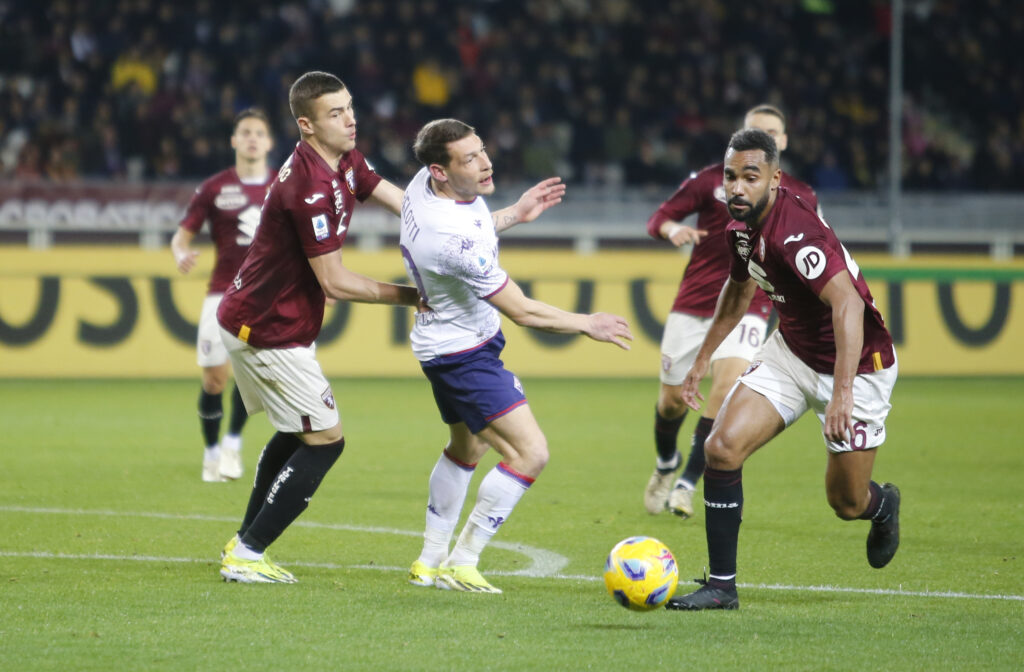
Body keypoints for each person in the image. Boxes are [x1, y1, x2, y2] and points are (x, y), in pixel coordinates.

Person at [665, 128, 900, 610]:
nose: (736, 187)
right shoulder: (741, 230)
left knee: (846, 502)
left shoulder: (796, 231)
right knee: (722, 448)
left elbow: (849, 306)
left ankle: (883, 506)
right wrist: (703, 359)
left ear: (774, 178)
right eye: (730, 176)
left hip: (857, 368)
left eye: (750, 177)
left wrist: (841, 394)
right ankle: (721, 588)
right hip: (791, 354)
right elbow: (737, 293)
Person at [400, 119, 633, 593]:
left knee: (468, 448)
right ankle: (461, 561)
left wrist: (515, 213)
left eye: (482, 149)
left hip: (445, 341)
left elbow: (475, 224)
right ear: (439, 171)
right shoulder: (451, 238)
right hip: (464, 354)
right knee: (530, 453)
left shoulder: (424, 187)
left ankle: (429, 560)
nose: (486, 162)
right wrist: (588, 323)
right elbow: (524, 311)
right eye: (469, 159)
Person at [216, 71, 421, 584]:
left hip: (265, 321)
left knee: (294, 431)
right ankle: (249, 552)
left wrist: (451, 218)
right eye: (336, 113)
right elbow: (334, 281)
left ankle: (243, 541)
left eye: (351, 107)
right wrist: (414, 297)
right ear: (306, 125)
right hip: (266, 329)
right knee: (327, 440)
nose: (351, 119)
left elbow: (391, 195)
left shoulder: (345, 156)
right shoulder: (306, 185)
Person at [642, 105, 820, 519]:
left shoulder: (801, 196)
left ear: (784, 142)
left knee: (725, 387)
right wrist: (674, 230)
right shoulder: (710, 181)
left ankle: (686, 483)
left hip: (751, 305)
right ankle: (666, 463)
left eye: (773, 133)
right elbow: (658, 218)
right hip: (694, 303)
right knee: (671, 403)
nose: (765, 138)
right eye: (757, 131)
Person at [171, 108, 274, 483]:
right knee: (214, 379)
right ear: (233, 140)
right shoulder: (214, 188)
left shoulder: (283, 184)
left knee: (249, 379)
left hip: (266, 297)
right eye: (245, 132)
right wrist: (181, 253)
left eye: (258, 133)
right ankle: (211, 451)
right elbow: (182, 235)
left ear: (268, 142)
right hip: (221, 293)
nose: (251, 138)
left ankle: (231, 444)